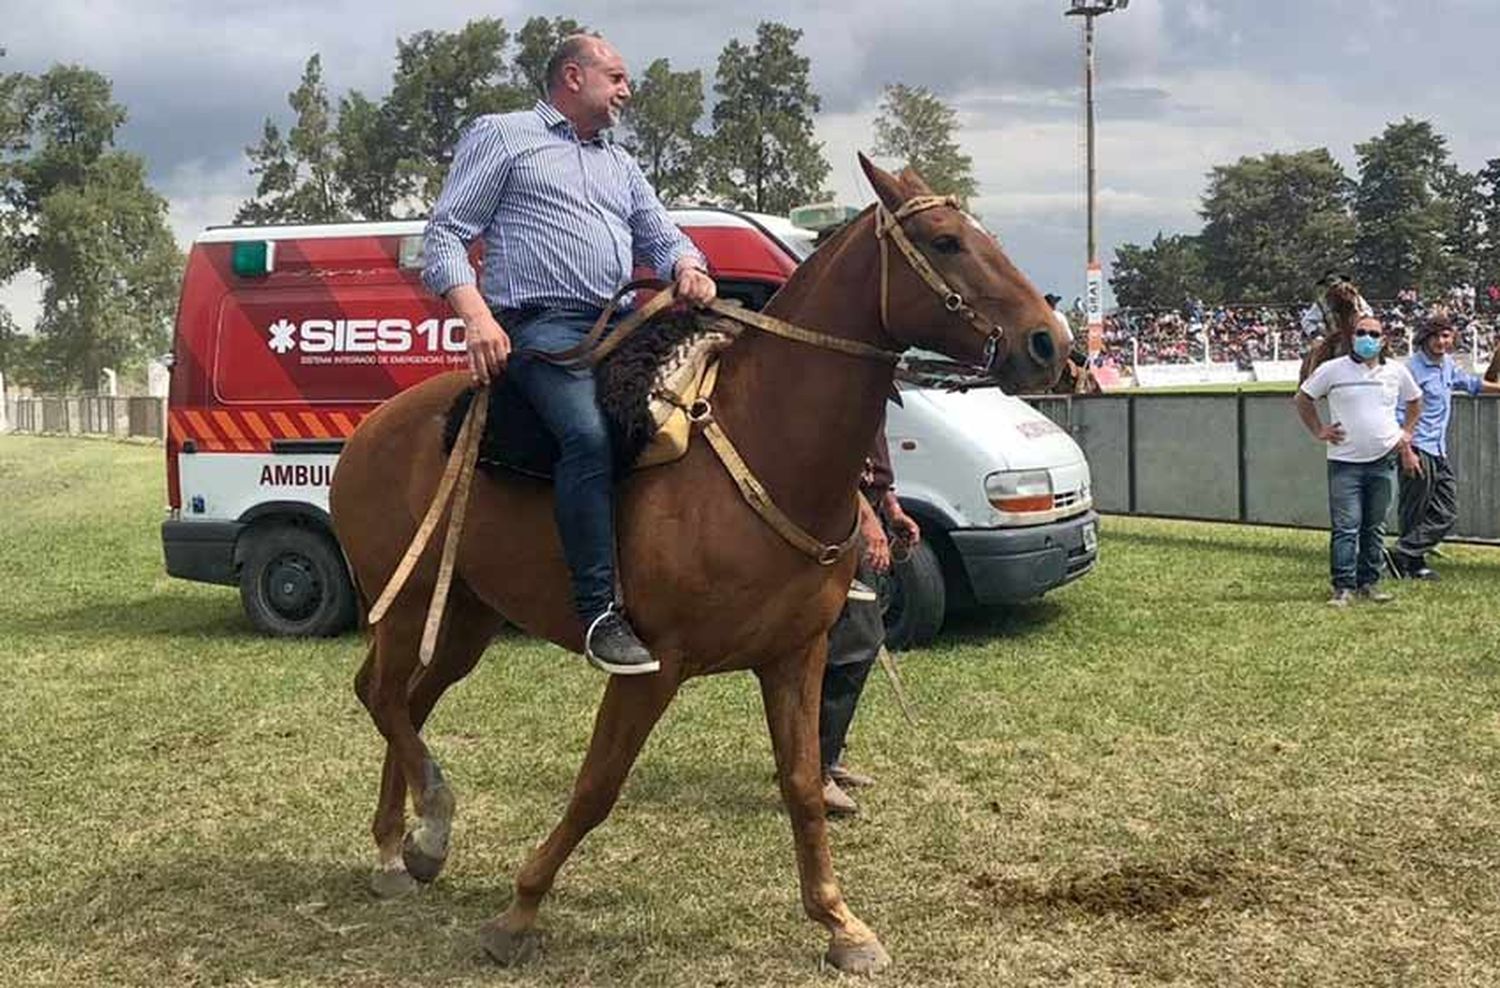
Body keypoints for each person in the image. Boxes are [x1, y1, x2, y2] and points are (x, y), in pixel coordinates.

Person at [422, 34, 717, 675]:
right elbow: (445, 234)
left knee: (708, 407)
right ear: (573, 76)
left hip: (623, 323)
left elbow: (663, 235)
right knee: (587, 434)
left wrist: (689, 266)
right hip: (543, 327)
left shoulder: (621, 163)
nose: (626, 91)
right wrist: (476, 317)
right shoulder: (503, 136)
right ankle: (598, 612)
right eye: (616, 77)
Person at [819, 426, 920, 817]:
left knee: (852, 645)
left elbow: (869, 460)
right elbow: (828, 462)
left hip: (862, 514)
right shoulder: (837, 376)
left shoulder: (874, 382)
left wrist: (890, 508)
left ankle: (824, 759)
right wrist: (866, 521)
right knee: (851, 645)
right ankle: (812, 771)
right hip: (838, 524)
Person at [1296, 315, 1421, 606]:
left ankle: (1370, 583)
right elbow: (1303, 398)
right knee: (1346, 526)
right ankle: (1343, 586)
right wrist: (1319, 430)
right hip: (1345, 462)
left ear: (1383, 340)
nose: (1368, 339)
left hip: (1384, 460)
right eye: (1362, 333)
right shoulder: (1332, 370)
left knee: (1375, 525)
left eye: (1374, 334)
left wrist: (1406, 435)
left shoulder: (1396, 372)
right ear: (1352, 337)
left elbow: (1415, 401)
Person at [1387, 315, 1500, 580]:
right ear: (1425, 338)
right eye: (1436, 336)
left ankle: (1403, 553)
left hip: (1438, 449)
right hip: (1417, 446)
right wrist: (1407, 450)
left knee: (1446, 512)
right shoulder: (1411, 370)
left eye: (1446, 336)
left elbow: (1471, 384)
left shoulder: (1447, 364)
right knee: (1414, 509)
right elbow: (1397, 413)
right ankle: (1413, 564)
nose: (1441, 342)